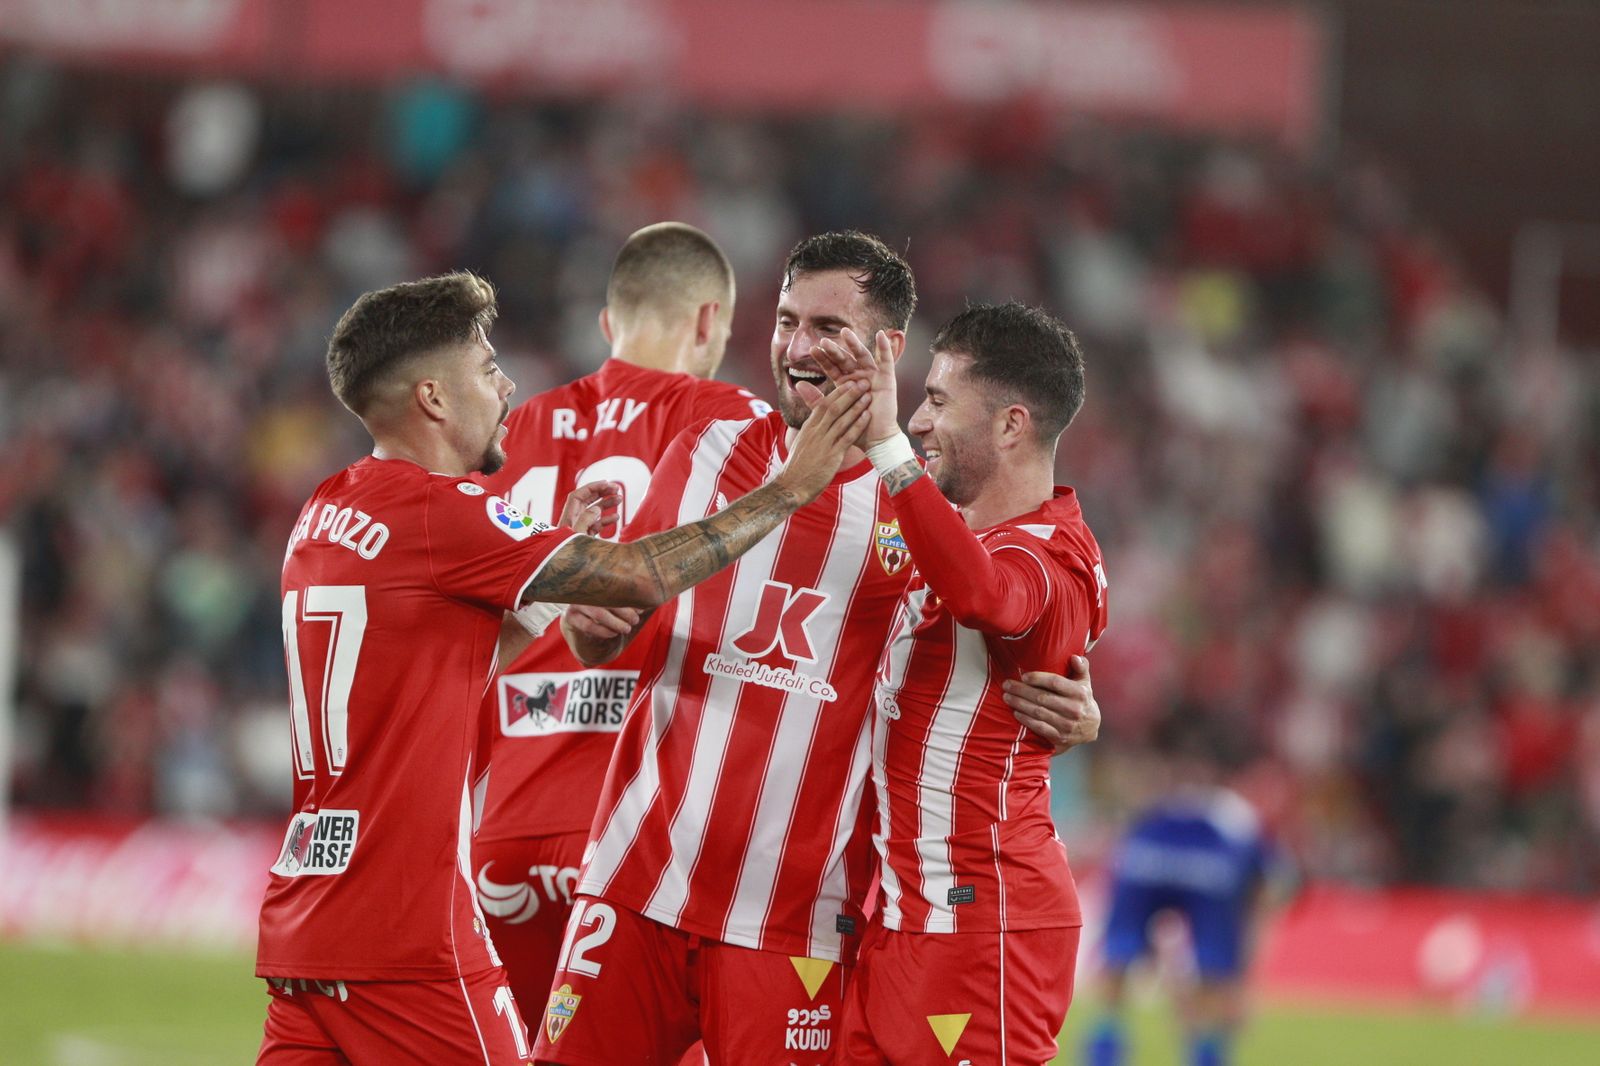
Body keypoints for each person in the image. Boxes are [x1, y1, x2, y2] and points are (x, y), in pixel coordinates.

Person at [254, 270, 872, 1066]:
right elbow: (640, 579)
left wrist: (543, 597)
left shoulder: (326, 510)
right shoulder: (440, 512)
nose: (507, 385)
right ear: (435, 399)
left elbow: (434, 666)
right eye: (485, 369)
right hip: (406, 930)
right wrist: (788, 488)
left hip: (305, 921)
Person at [533, 234, 1100, 1065]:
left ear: (888, 348)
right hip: (634, 883)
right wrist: (591, 632)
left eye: (827, 326)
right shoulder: (708, 450)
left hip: (793, 921)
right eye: (787, 320)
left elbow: (997, 626)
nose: (798, 348)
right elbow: (617, 640)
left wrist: (1077, 702)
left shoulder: (926, 507)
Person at [471, 223, 772, 1015]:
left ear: (609, 324)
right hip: (640, 828)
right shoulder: (735, 424)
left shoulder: (512, 429)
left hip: (504, 825)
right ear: (708, 322)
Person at [809, 302, 1108, 1064]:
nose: (914, 420)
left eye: (938, 400)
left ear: (1011, 425)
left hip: (988, 922)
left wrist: (884, 448)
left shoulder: (1053, 555)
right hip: (903, 922)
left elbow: (991, 600)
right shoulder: (952, 531)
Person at [1083, 723, 1282, 1066]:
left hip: (1148, 864)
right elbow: (1268, 892)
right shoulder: (1237, 818)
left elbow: (1115, 864)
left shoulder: (1150, 807)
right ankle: (1204, 1049)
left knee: (1120, 957)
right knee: (1212, 972)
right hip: (1207, 872)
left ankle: (1106, 1043)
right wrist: (1242, 978)